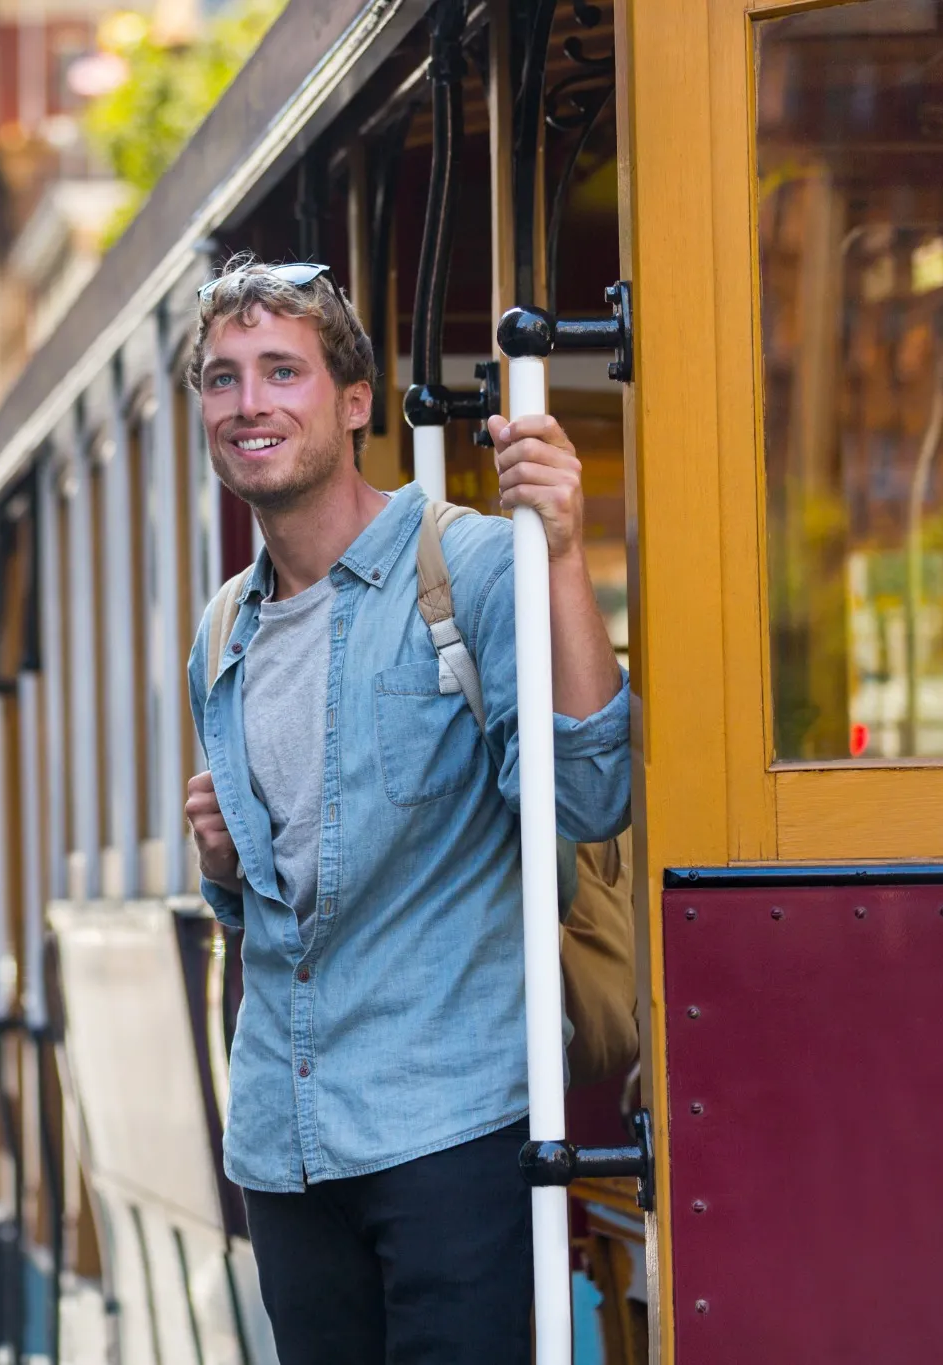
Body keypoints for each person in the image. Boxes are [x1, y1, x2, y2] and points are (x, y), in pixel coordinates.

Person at [181, 254, 631, 1364]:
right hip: (281, 1153)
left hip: (447, 1132)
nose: (248, 403)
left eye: (279, 371)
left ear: (351, 402)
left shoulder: (465, 566)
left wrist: (562, 555)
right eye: (221, 377)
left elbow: (588, 793)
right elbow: (268, 918)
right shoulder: (220, 633)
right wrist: (230, 874)